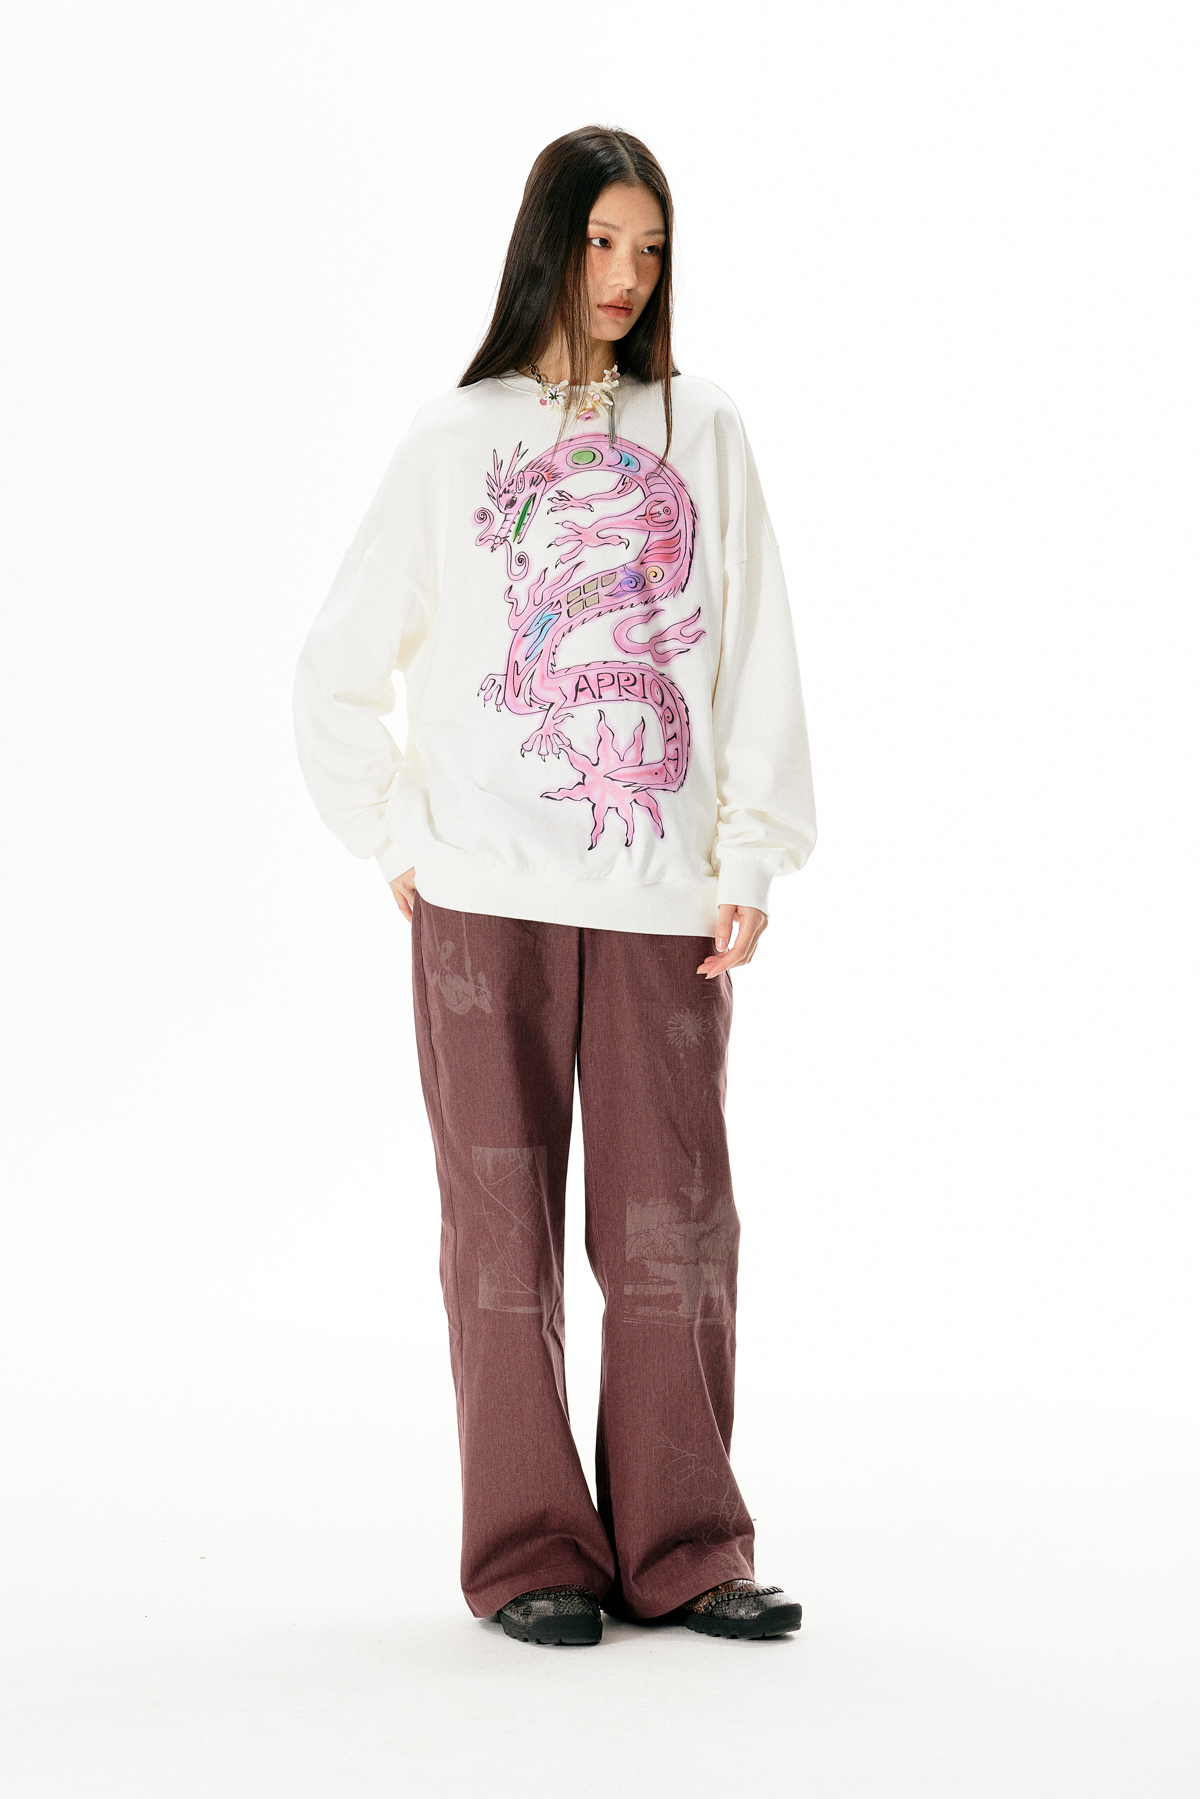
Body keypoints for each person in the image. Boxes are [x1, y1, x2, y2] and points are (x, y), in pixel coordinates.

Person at [293, 125, 816, 1647]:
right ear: (546, 244)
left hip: (659, 899)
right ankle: (531, 1550)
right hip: (481, 898)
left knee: (675, 1227)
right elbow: (337, 666)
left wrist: (754, 846)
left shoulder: (702, 427)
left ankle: (685, 1546)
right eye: (600, 242)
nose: (625, 274)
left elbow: (756, 646)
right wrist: (396, 836)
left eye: (649, 247)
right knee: (498, 1227)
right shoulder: (454, 438)